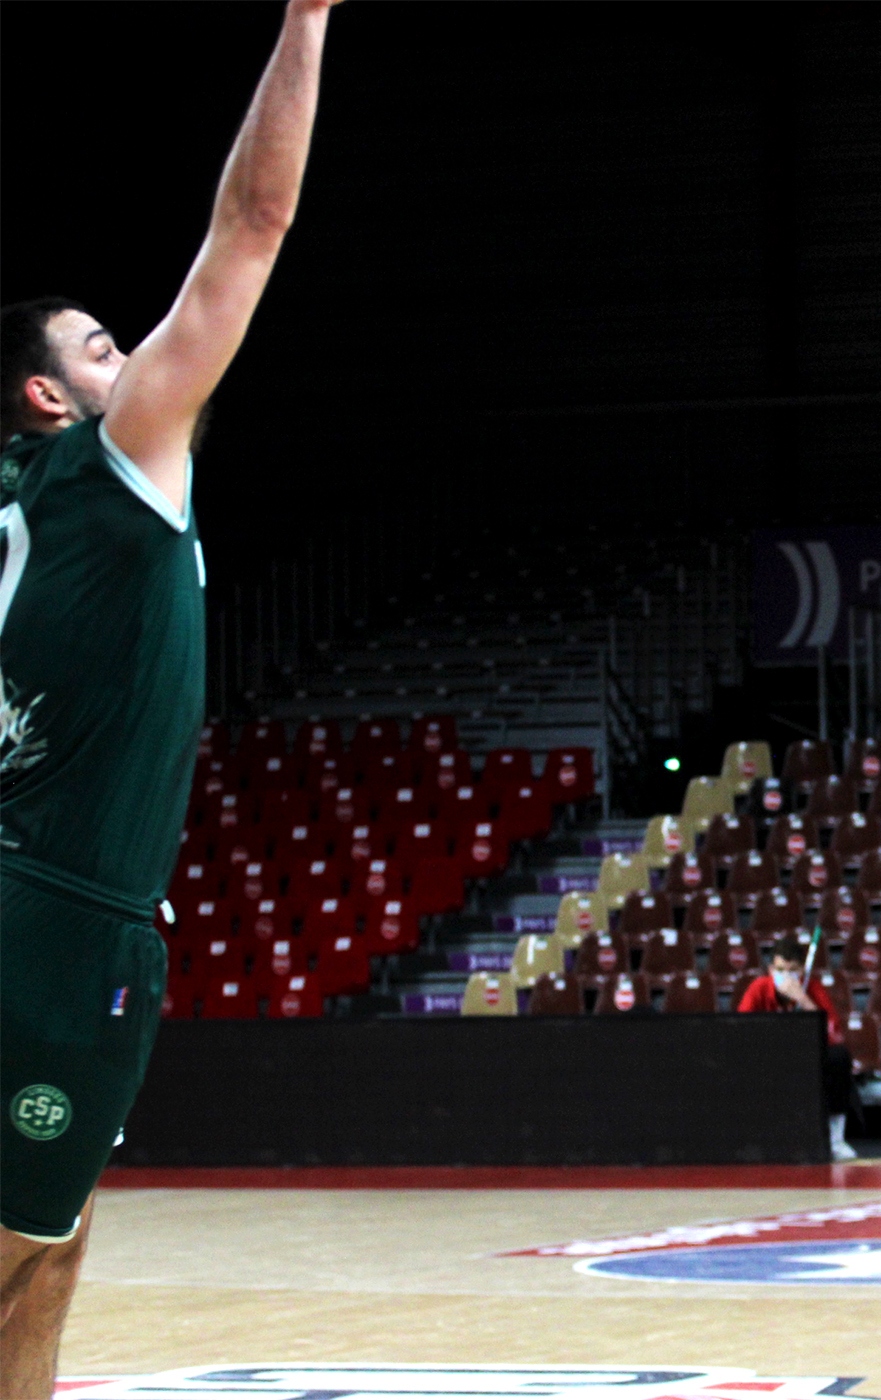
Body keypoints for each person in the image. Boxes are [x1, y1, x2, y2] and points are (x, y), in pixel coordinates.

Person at [0, 4, 344, 1392]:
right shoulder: (107, 466)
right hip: (67, 920)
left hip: (42, 893)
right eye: (96, 345)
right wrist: (307, 23)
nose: (127, 354)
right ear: (47, 395)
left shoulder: (23, 505)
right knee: (24, 1260)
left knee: (48, 1257)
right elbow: (253, 222)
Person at [737, 941, 861, 1163]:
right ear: (770, 971)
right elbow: (739, 1028)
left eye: (792, 970)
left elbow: (832, 1034)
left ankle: (835, 1141)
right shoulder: (758, 988)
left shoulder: (812, 989)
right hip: (767, 1058)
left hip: (805, 1060)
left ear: (802, 971)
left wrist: (803, 1001)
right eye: (780, 970)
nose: (786, 976)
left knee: (839, 1057)